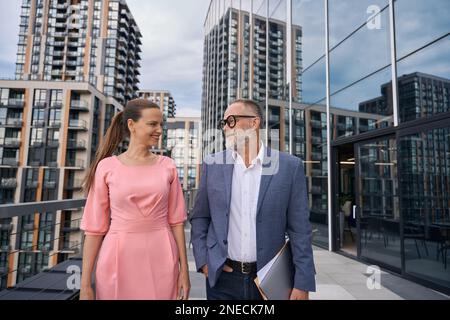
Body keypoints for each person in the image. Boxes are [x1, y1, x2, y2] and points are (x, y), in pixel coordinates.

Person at [190, 99, 316, 300]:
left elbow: (300, 229)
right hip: (222, 278)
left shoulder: (289, 167)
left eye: (231, 121)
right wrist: (203, 260)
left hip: (270, 280)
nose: (225, 128)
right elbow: (200, 217)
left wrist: (303, 282)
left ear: (254, 122)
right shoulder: (212, 165)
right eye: (223, 123)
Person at [79, 98, 190, 300]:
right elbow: (94, 229)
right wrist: (85, 284)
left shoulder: (168, 166)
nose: (159, 130)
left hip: (163, 257)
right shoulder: (106, 167)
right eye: (152, 124)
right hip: (117, 258)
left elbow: (177, 222)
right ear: (131, 125)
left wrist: (184, 271)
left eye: (161, 125)